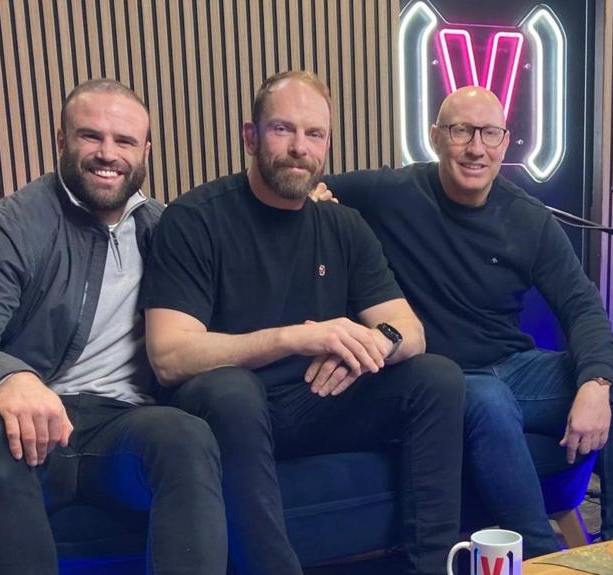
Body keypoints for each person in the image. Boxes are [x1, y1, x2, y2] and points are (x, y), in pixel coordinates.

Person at [141, 71, 466, 575]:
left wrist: (373, 346)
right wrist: (296, 337)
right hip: (229, 410)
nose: (299, 148)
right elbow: (168, 355)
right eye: (282, 130)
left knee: (437, 377)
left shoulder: (344, 225)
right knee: (232, 391)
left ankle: (431, 566)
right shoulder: (195, 219)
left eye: (314, 134)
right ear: (250, 136)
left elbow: (410, 330)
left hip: (316, 400)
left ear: (327, 145)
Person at [326, 86, 613, 557]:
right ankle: (545, 559)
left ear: (505, 142)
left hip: (513, 367)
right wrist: (319, 198)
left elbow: (582, 306)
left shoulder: (528, 217)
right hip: (439, 379)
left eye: (489, 133)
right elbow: (311, 189)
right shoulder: (391, 192)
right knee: (487, 397)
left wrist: (596, 383)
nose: (475, 148)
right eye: (461, 131)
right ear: (436, 138)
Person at [0, 79, 227, 574]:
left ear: (145, 151)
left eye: (123, 141)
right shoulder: (16, 224)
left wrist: (312, 210)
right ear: (61, 141)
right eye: (89, 136)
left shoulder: (165, 228)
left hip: (121, 425)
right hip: (37, 423)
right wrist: (9, 376)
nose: (107, 154)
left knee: (185, 436)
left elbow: (239, 265)